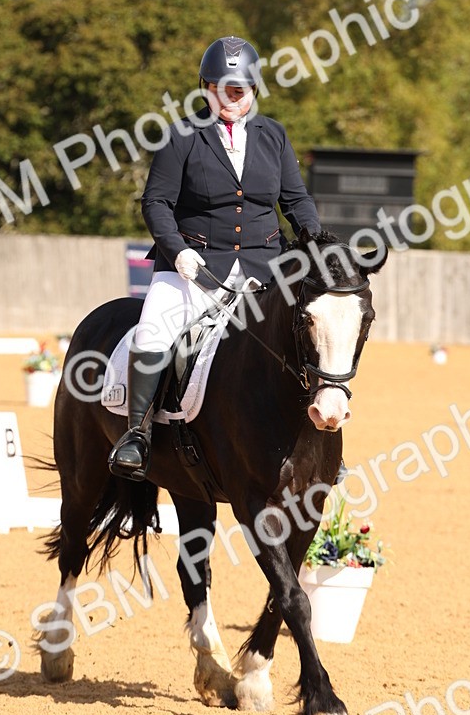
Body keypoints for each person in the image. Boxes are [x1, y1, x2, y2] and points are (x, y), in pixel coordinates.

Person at [108, 35, 322, 479]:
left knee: (311, 332)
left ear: (254, 90)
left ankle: (319, 442)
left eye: (238, 90)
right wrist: (177, 250)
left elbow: (295, 199)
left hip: (266, 266)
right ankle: (138, 435)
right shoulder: (182, 135)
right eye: (219, 88)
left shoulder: (274, 135)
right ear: (205, 87)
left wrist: (317, 242)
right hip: (195, 265)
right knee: (152, 331)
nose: (229, 98)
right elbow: (156, 203)